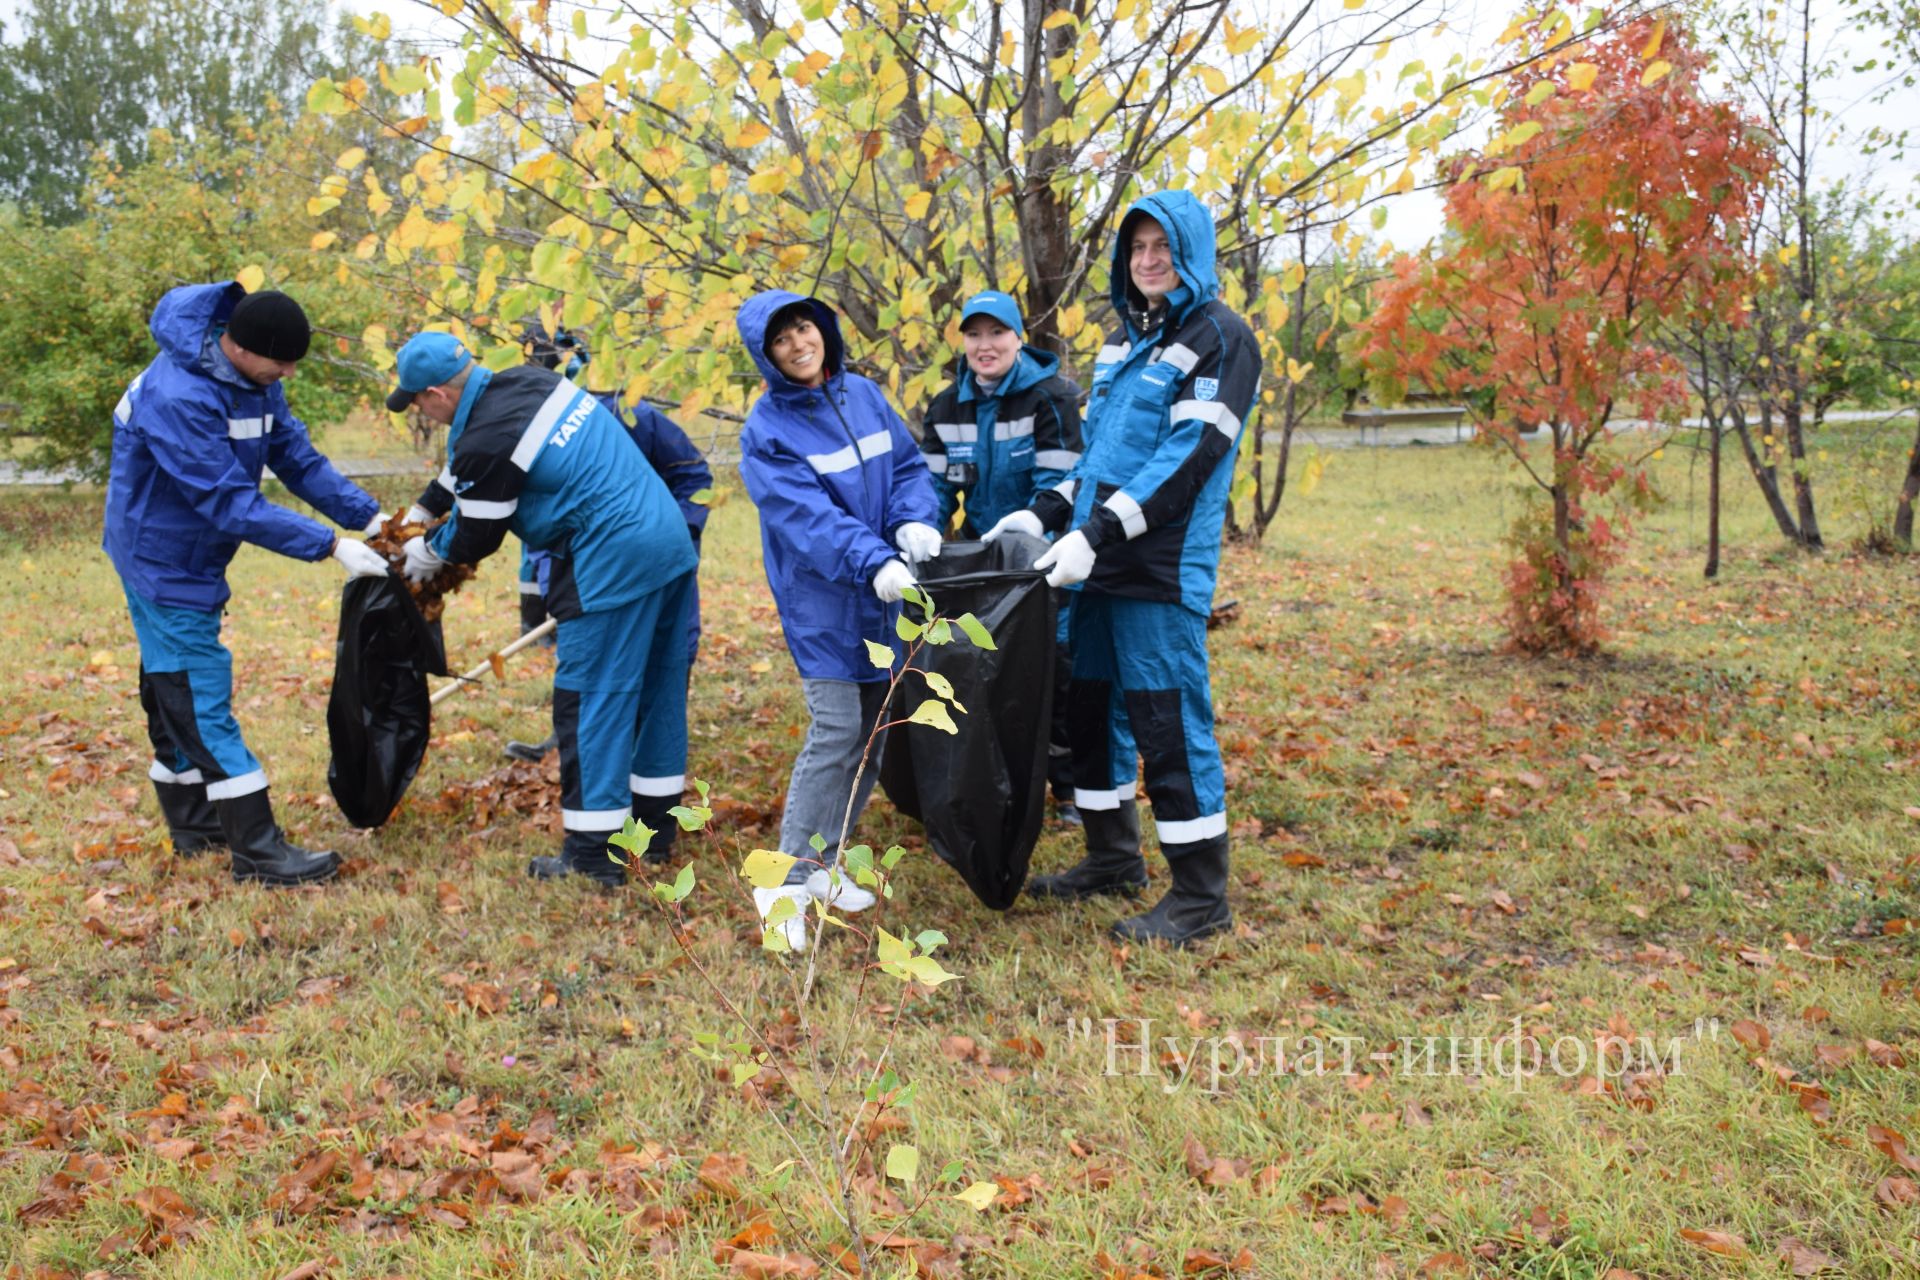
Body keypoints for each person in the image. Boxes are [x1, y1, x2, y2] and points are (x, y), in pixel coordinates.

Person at [984, 190, 1259, 946]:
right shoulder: (1122, 343)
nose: (1148, 260)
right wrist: (1044, 512)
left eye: (1162, 246)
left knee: (1166, 722)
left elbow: (1186, 460)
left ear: (1191, 251)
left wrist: (1096, 533)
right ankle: (1111, 861)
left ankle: (1201, 898)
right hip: (1092, 563)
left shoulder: (1221, 340)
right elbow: (1101, 461)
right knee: (1090, 713)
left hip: (1156, 569)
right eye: (1136, 248)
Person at [104, 282, 392, 886]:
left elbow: (297, 460)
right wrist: (331, 546)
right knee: (196, 690)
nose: (287, 373)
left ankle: (194, 825)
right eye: (280, 362)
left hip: (194, 554)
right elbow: (228, 502)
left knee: (170, 682)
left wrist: (368, 518)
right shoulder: (178, 395)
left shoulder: (257, 383)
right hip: (162, 559)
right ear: (236, 346)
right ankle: (258, 851)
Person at [387, 331, 698, 885]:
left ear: (435, 394)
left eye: (416, 402)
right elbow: (468, 467)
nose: (420, 412)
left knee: (591, 700)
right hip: (668, 543)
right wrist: (422, 510)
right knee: (658, 692)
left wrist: (427, 551)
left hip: (612, 560)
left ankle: (593, 857)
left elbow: (476, 533)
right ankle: (655, 834)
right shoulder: (529, 383)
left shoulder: (487, 435)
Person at [735, 290, 941, 950]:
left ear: (822, 329)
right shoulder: (766, 431)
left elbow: (907, 467)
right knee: (836, 729)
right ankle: (780, 883)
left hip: (883, 597)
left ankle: (825, 864)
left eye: (804, 329)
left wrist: (914, 518)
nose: (799, 345)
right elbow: (807, 520)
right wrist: (873, 559)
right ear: (765, 357)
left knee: (873, 731)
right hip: (824, 602)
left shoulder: (864, 395)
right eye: (781, 341)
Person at [495, 326, 714, 761]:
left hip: (654, 565)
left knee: (664, 659)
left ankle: (650, 764)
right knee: (587, 667)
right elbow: (536, 520)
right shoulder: (523, 435)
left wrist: (678, 535)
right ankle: (570, 747)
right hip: (583, 580)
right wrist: (545, 582)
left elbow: (692, 475)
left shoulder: (626, 414)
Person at [917, 290, 1085, 823]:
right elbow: (935, 486)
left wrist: (1035, 520)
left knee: (1051, 672)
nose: (985, 345)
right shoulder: (947, 406)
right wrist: (923, 523)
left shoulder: (1050, 398)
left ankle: (1069, 789)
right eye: (974, 335)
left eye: (996, 334)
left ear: (1018, 338)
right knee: (981, 668)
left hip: (1041, 557)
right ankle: (994, 778)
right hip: (980, 558)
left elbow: (1062, 483)